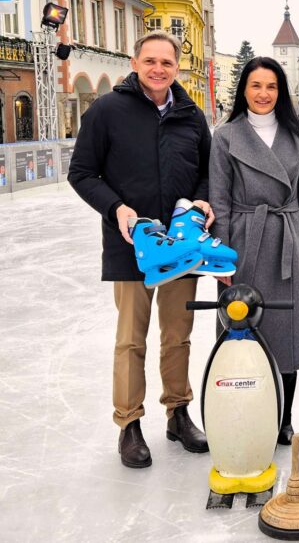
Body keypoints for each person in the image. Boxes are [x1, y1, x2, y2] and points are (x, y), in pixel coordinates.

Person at [68, 31, 212, 469]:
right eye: (149, 61)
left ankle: (178, 412)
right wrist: (117, 209)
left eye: (166, 63)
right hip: (131, 246)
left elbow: (207, 172)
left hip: (181, 247)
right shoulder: (108, 110)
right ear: (135, 63)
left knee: (177, 336)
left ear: (176, 68)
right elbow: (82, 172)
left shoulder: (191, 114)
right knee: (131, 339)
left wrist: (204, 200)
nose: (158, 69)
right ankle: (129, 423)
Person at [209, 57, 299, 446]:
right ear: (244, 90)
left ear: (281, 91)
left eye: (271, 86)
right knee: (242, 330)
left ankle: (284, 418)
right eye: (256, 86)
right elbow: (219, 200)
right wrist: (221, 257)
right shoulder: (225, 137)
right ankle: (243, 413)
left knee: (287, 334)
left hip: (288, 241)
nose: (263, 94)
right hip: (244, 242)